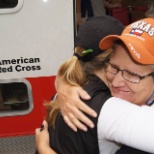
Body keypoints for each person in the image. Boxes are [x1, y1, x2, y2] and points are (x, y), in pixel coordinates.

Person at [35, 17, 154, 154]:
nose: (116, 82)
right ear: (107, 61)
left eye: (132, 74)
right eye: (114, 67)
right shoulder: (110, 109)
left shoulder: (71, 90)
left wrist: (44, 150)